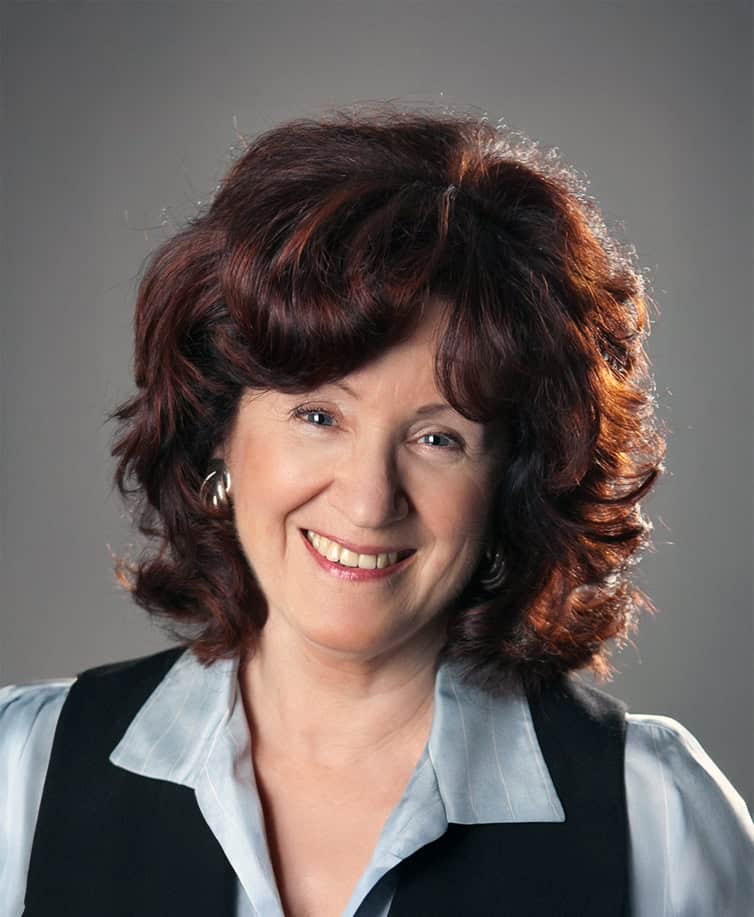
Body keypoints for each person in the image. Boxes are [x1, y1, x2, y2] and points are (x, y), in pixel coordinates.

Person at [2, 104, 752, 917]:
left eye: (438, 438)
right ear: (220, 432)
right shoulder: (24, 774)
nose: (367, 500)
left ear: (513, 480)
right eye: (319, 415)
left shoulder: (656, 817)